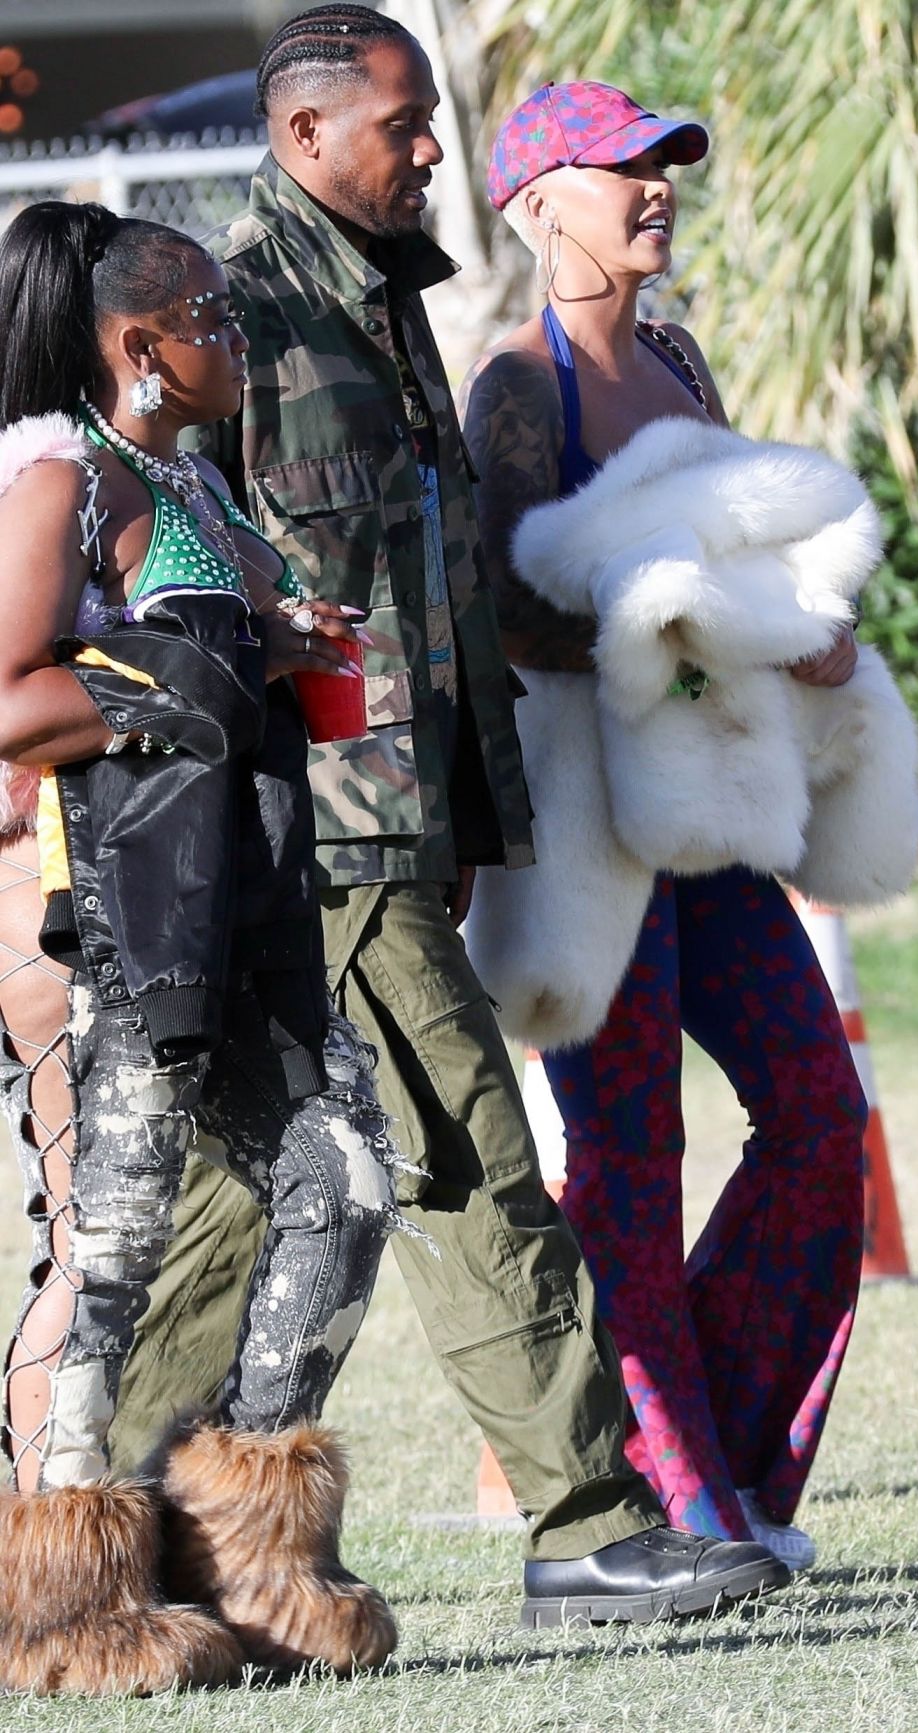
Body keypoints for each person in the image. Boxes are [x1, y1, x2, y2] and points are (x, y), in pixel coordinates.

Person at [111, 2, 786, 1631]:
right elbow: (149, 539)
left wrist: (477, 802)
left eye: (427, 124)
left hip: (403, 819)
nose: (432, 152)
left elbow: (441, 594)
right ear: (303, 137)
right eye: (406, 127)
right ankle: (587, 1519)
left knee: (244, 1191)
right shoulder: (233, 309)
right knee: (468, 1156)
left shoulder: (381, 301)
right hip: (307, 830)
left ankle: (90, 1517)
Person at [459, 80, 869, 1566]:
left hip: (713, 819)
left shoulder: (681, 360)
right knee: (626, 1163)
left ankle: (731, 1469)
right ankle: (668, 1502)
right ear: (536, 202)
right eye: (621, 166)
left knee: (824, 1120)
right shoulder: (517, 388)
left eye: (665, 165)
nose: (655, 187)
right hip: (589, 842)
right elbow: (512, 614)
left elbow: (744, 545)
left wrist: (804, 621)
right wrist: (711, 632)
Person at [0, 200, 405, 1693]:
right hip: (119, 927)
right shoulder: (59, 472)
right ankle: (61, 1600)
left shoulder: (187, 477)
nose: (239, 344)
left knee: (343, 1179)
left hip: (243, 902)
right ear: (142, 347)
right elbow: (12, 692)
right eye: (216, 325)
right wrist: (164, 690)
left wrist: (273, 644)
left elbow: (200, 653)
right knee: (108, 1246)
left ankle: (241, 1552)